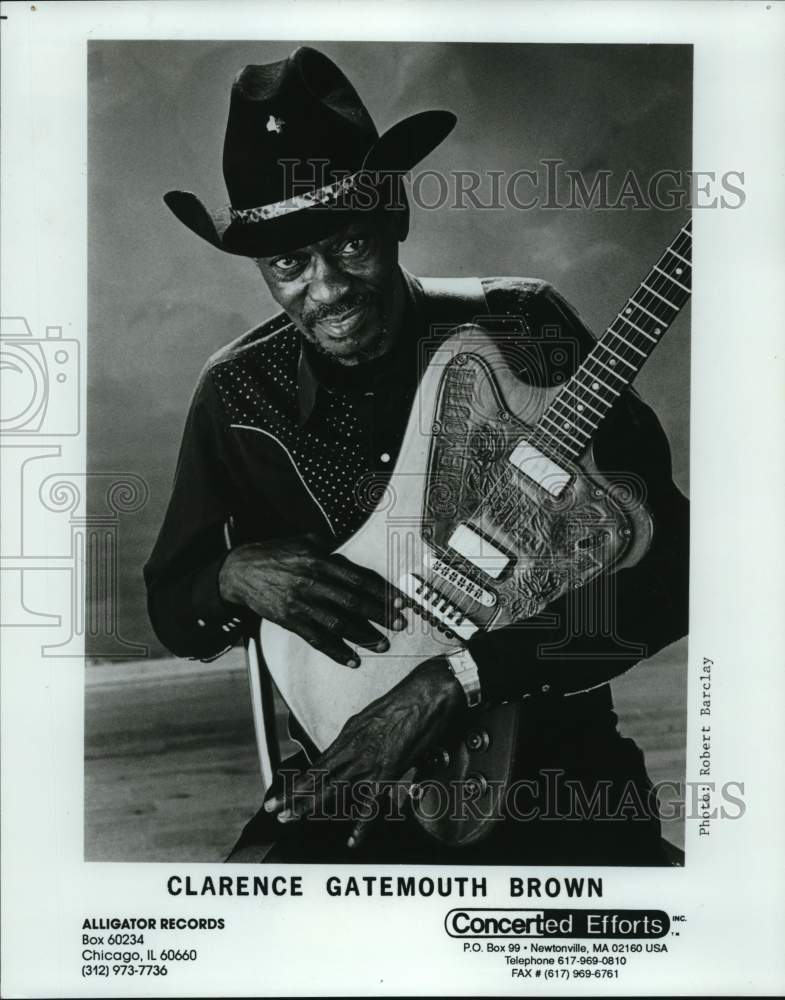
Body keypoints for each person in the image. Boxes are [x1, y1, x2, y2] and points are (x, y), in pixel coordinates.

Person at [144, 46, 689, 865]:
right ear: (263, 268)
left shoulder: (522, 327)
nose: (325, 288)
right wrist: (227, 577)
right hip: (352, 774)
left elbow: (676, 573)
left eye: (352, 246)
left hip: (556, 773)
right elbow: (170, 606)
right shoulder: (235, 395)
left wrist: (465, 677)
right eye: (290, 264)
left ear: (393, 222)